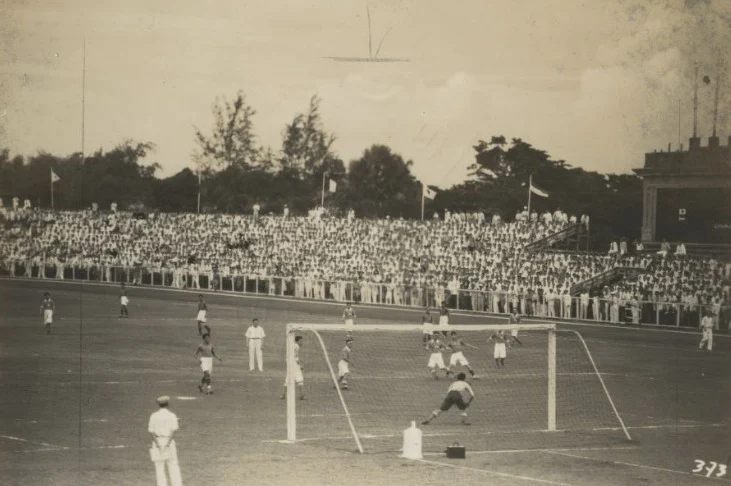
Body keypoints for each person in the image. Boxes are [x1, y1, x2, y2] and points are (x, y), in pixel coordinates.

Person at [148, 396, 183, 486]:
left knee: (159, 467)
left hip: (157, 441)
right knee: (173, 464)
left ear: (159, 405)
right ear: (168, 404)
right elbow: (173, 431)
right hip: (169, 441)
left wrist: (158, 445)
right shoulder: (172, 415)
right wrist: (167, 444)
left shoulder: (154, 416)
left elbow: (152, 432)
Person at [281, 335, 306, 400]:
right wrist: (300, 365)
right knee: (300, 378)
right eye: (301, 341)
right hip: (293, 363)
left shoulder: (292, 346)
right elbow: (295, 357)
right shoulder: (297, 346)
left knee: (288, 378)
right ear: (297, 341)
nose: (302, 343)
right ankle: (302, 395)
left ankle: (283, 395)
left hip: (289, 363)